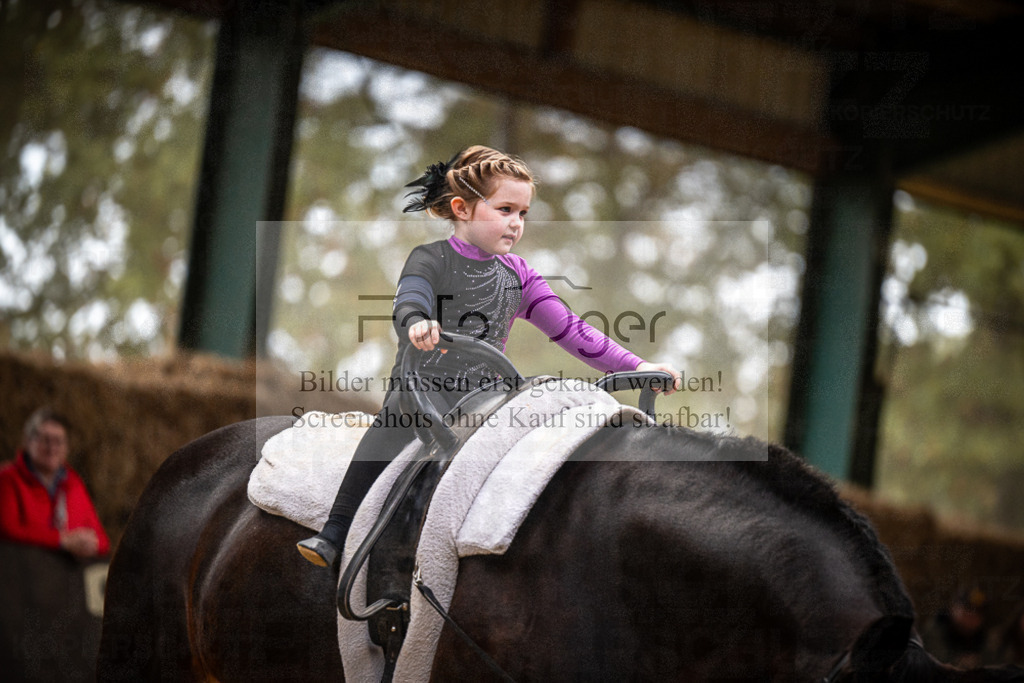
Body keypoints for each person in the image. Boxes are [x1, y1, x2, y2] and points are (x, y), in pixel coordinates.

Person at [297, 145, 681, 568]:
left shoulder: (520, 275)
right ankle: (335, 530)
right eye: (504, 210)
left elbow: (573, 331)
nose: (516, 223)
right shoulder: (430, 258)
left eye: (523, 213)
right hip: (424, 388)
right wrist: (417, 322)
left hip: (490, 398)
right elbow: (409, 299)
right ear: (461, 208)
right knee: (395, 422)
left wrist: (638, 367)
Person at [0, 407, 110, 558]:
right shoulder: (8, 478)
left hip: (64, 577)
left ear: (66, 447)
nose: (52, 448)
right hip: (21, 574)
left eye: (58, 441)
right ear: (27, 441)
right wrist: (61, 541)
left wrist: (90, 545)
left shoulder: (73, 483)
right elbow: (7, 529)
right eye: (45, 440)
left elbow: (102, 541)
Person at [919, 584, 997, 668]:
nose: (971, 616)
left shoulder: (987, 637)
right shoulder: (933, 631)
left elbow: (998, 665)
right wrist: (957, 662)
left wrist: (979, 662)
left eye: (978, 613)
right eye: (966, 609)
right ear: (953, 608)